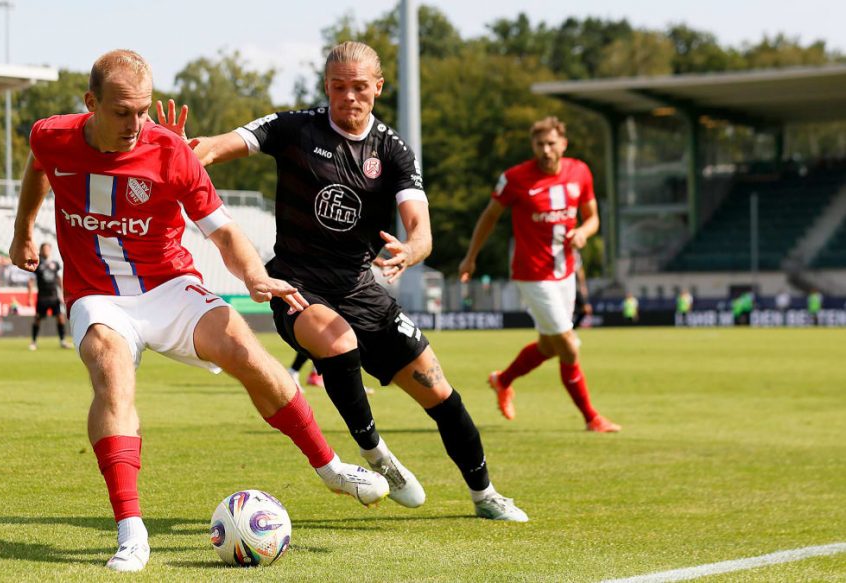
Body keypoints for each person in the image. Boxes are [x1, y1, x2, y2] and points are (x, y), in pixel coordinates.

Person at [9, 49, 388, 573]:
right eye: (122, 112)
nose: (136, 124)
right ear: (90, 103)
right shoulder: (51, 135)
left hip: (169, 285)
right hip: (97, 294)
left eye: (143, 111)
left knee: (247, 354)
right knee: (110, 373)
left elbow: (226, 232)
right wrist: (22, 231)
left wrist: (253, 276)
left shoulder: (169, 152)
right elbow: (38, 166)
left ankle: (330, 467)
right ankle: (131, 531)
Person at [166, 41, 527, 522]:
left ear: (378, 87)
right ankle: (377, 456)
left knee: (442, 397)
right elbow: (218, 145)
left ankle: (486, 495)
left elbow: (420, 229)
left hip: (362, 289)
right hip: (296, 283)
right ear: (327, 87)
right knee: (334, 339)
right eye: (339, 87)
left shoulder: (393, 150)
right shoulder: (294, 128)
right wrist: (184, 149)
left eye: (360, 87)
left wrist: (411, 250)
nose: (349, 97)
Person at [459, 116, 621, 433]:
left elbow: (592, 219)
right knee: (569, 346)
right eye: (539, 144)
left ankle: (502, 380)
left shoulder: (580, 172)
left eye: (551, 143)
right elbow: (489, 217)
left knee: (549, 346)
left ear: (563, 144)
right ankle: (592, 418)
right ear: (533, 147)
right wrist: (470, 257)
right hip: (532, 274)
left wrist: (584, 234)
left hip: (566, 271)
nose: (546, 150)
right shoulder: (515, 178)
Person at [27, 242, 72, 350]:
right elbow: (31, 281)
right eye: (44, 249)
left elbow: (58, 279)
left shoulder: (55, 264)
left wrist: (63, 294)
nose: (46, 251)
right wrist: (29, 297)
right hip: (42, 297)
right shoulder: (37, 264)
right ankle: (33, 342)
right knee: (37, 318)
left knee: (60, 318)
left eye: (48, 249)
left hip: (54, 296)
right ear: (41, 250)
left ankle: (62, 341)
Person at [573, 250, 593, 328]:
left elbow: (580, 271)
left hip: (575, 285)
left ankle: (571, 330)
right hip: (564, 283)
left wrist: (583, 285)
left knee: (586, 309)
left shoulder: (575, 253)